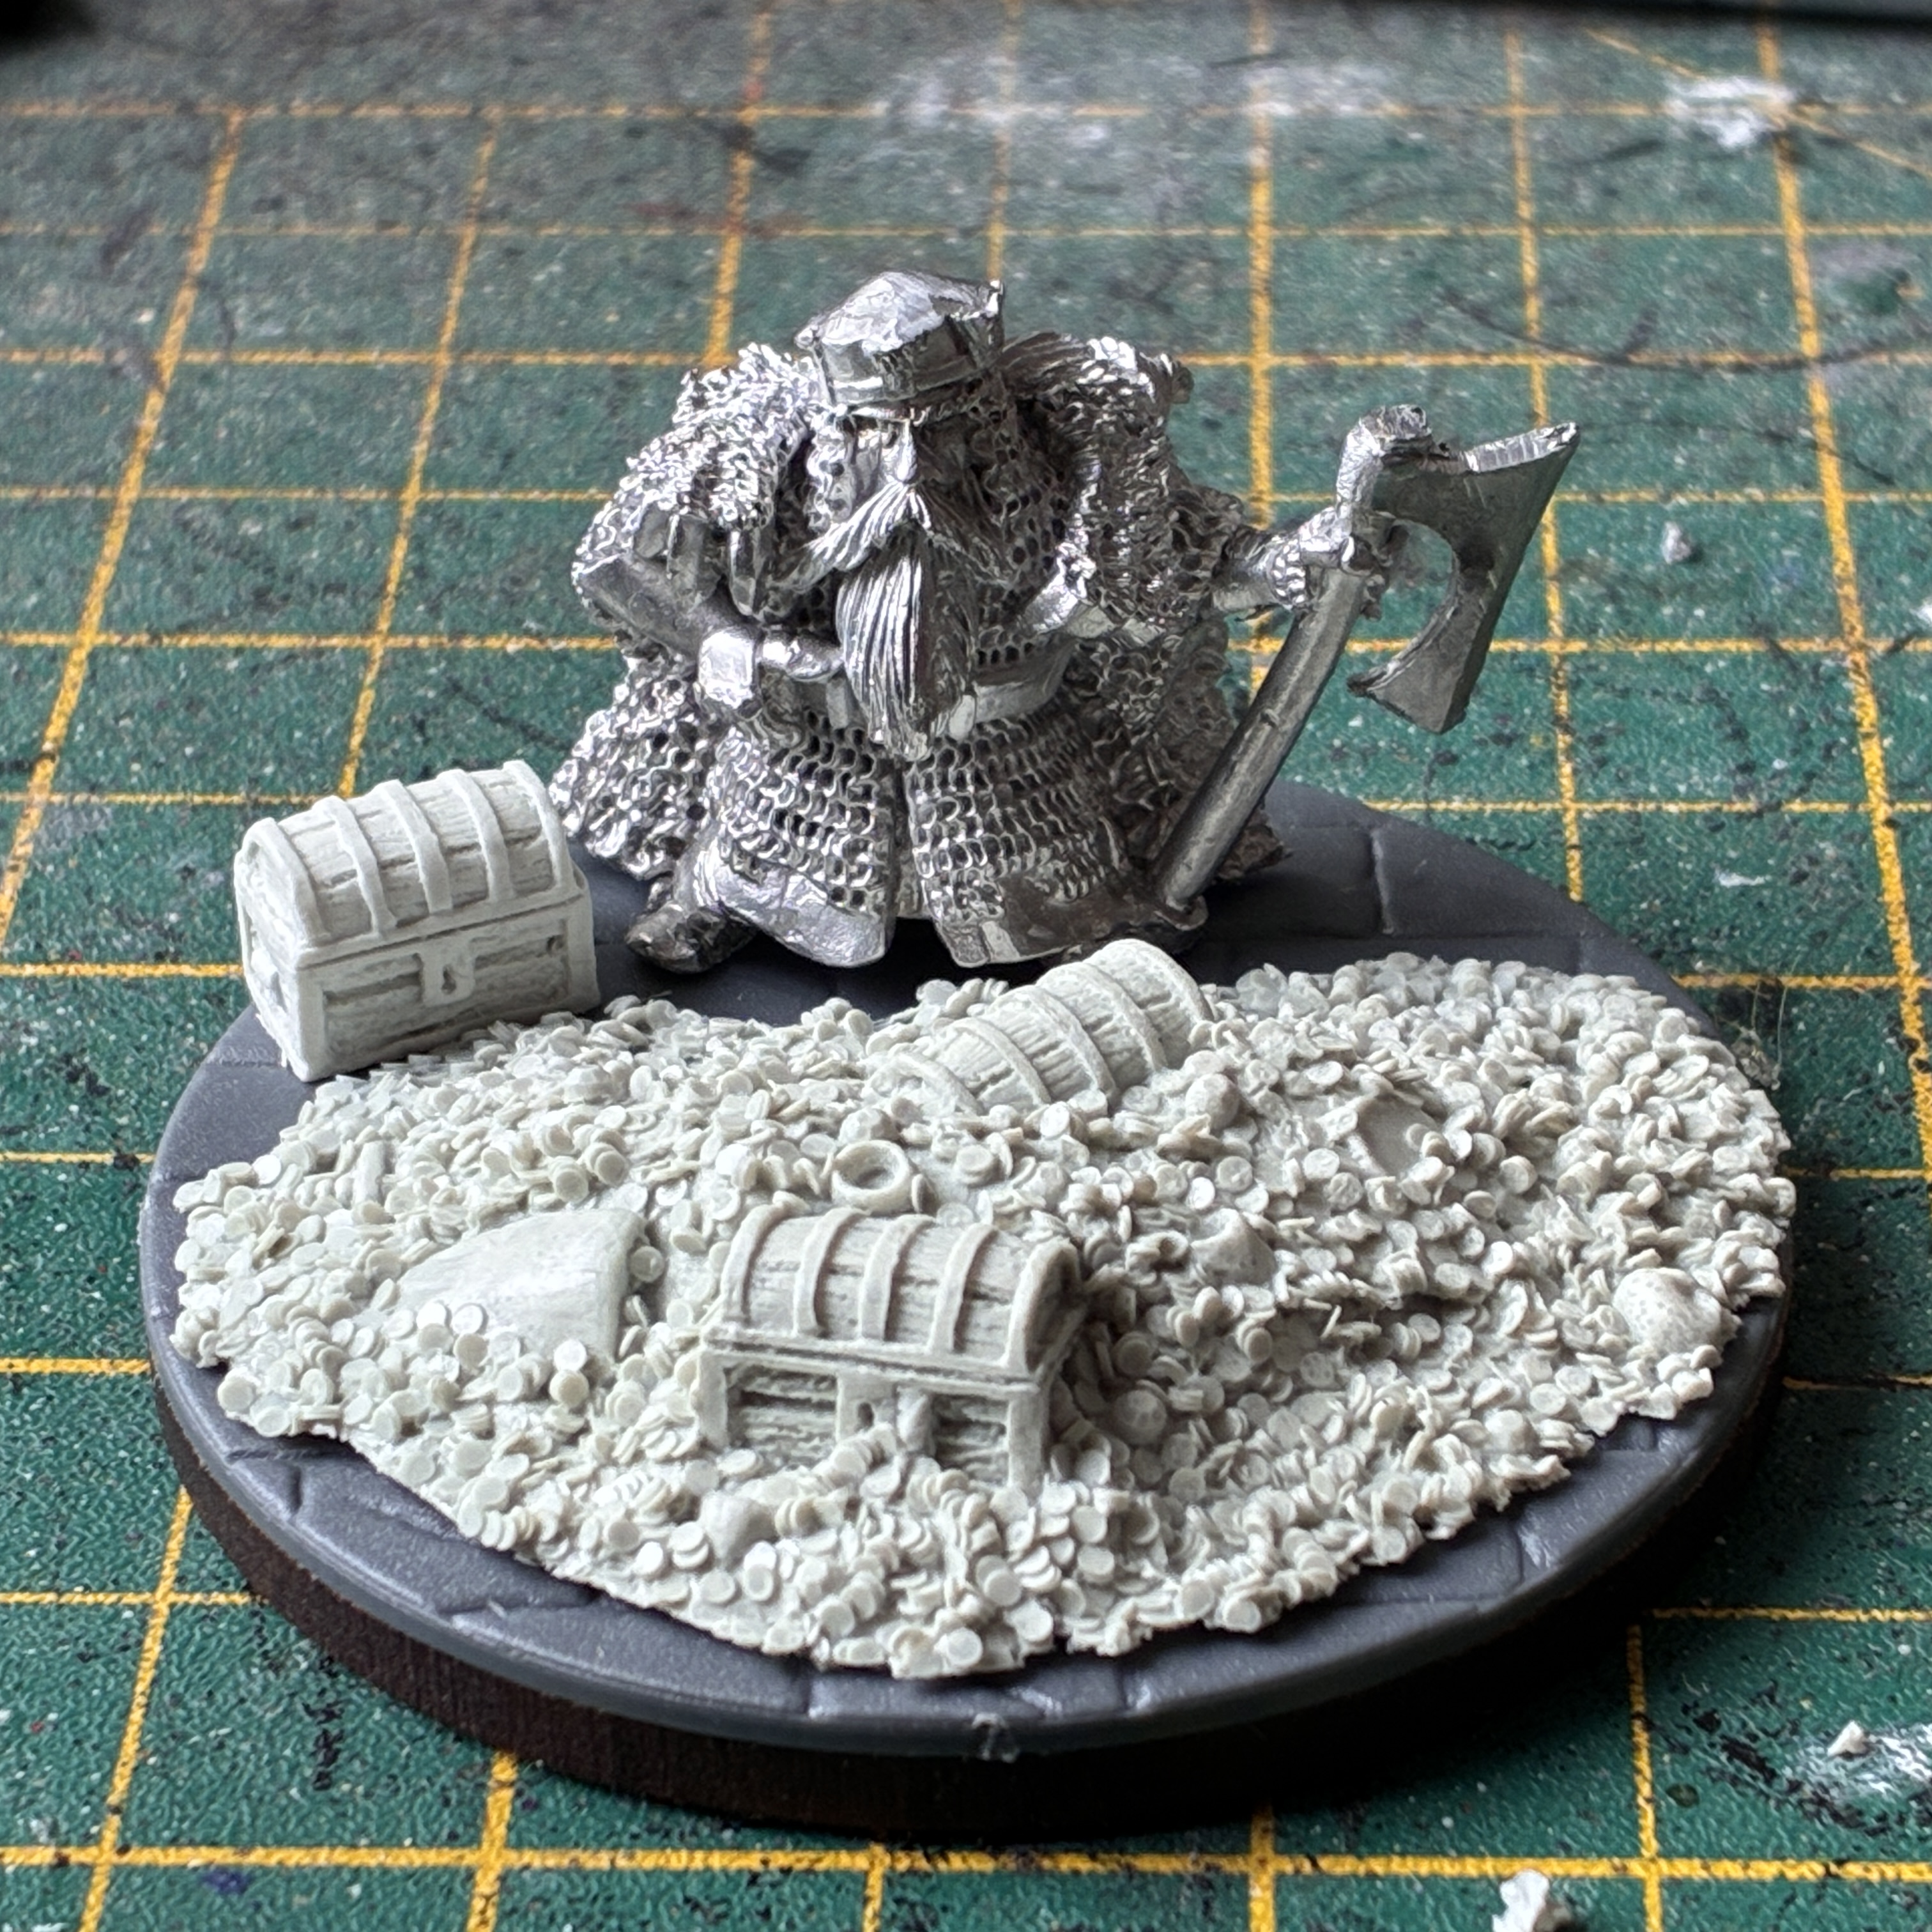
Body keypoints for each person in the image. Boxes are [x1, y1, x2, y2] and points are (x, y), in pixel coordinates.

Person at [551, 268, 1402, 970]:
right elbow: (623, 561)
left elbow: (1185, 563)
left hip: (1009, 759)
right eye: (879, 430)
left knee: (1071, 915)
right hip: (805, 751)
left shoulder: (1068, 449)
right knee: (752, 858)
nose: (912, 464)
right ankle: (712, 897)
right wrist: (722, 637)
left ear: (987, 410)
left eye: (942, 426)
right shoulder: (764, 448)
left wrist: (1288, 564)